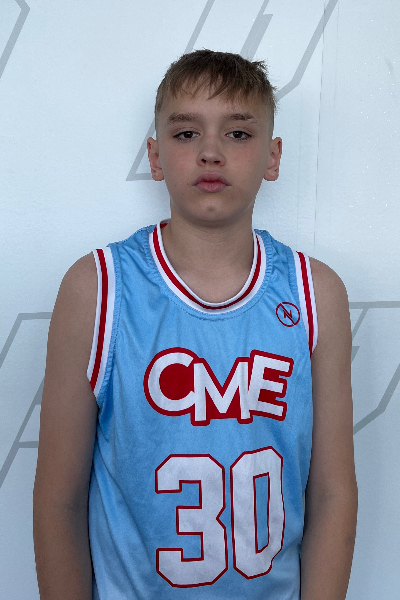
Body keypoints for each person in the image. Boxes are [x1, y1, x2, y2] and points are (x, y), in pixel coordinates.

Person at [33, 50, 357, 599]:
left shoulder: (315, 294)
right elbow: (58, 501)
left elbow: (332, 494)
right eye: (186, 134)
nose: (210, 151)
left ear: (273, 156)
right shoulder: (97, 289)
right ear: (155, 156)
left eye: (238, 133)